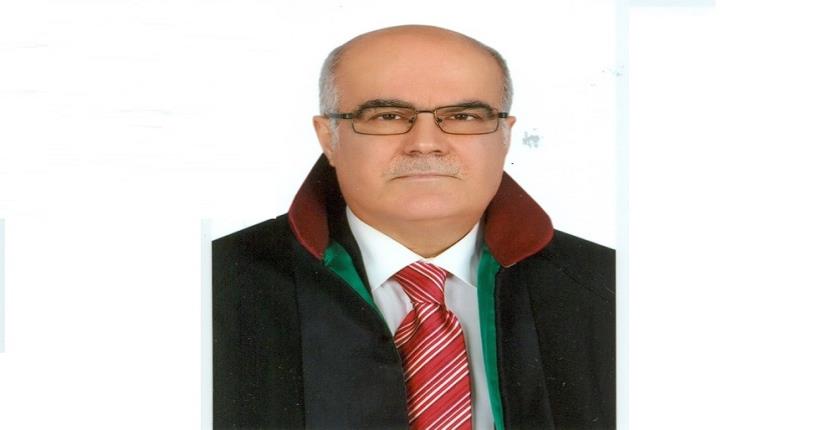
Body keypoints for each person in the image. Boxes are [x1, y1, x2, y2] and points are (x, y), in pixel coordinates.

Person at [213, 25, 615, 429]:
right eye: (387, 116)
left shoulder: (613, 287)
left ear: (505, 136)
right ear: (328, 138)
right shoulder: (212, 285)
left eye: (463, 116)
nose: (425, 143)